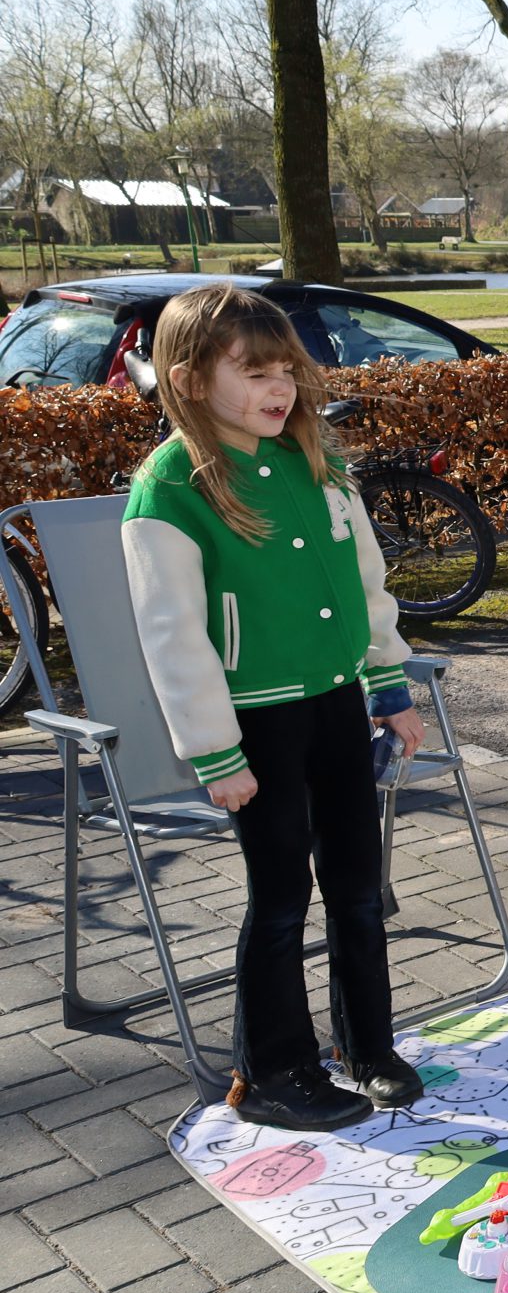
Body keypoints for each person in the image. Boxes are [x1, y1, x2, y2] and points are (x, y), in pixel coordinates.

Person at [121, 284, 427, 1132]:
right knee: (283, 895)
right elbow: (173, 634)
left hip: (335, 703)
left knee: (359, 884)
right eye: (254, 372)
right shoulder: (171, 488)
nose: (280, 387)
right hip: (254, 724)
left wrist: (388, 683)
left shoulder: (312, 458)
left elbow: (363, 579)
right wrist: (214, 751)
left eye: (286, 368)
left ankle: (367, 1046)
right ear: (189, 379)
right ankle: (273, 1071)